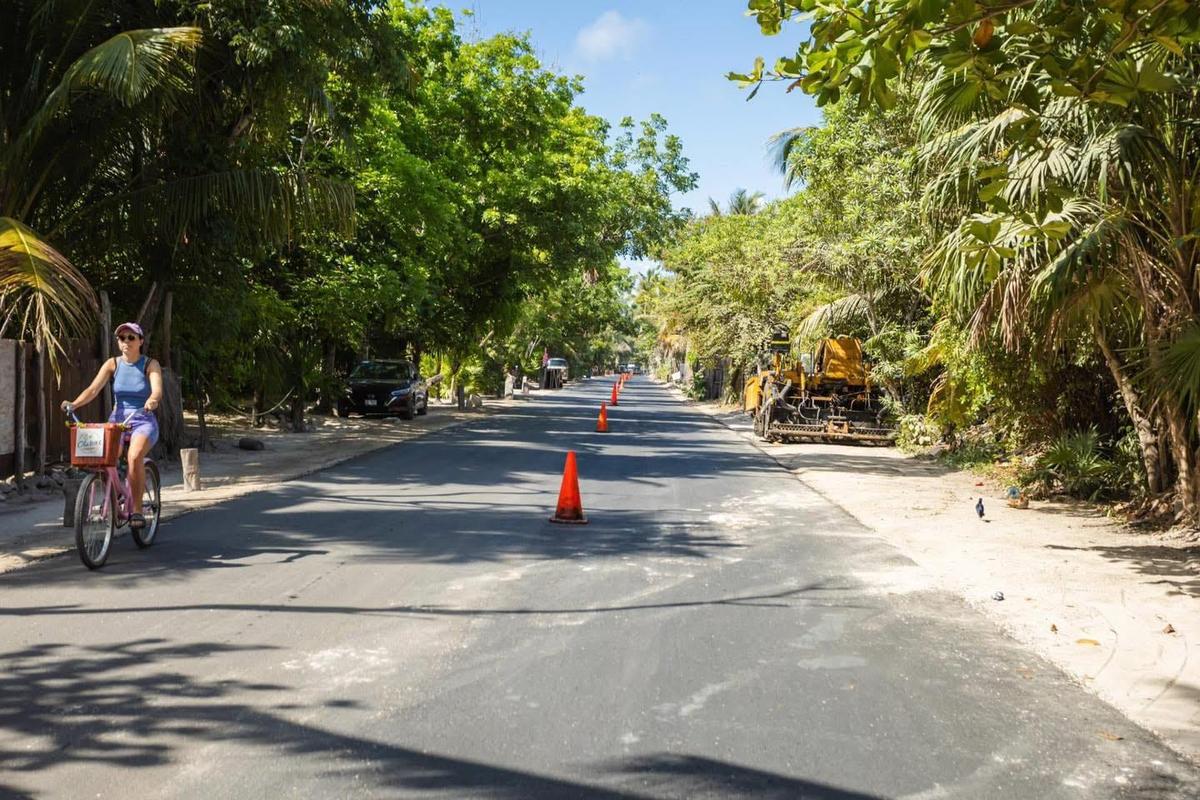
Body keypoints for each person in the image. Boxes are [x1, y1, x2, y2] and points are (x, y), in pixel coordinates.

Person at [61, 322, 162, 529]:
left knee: (134, 457)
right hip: (117, 421)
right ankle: (114, 492)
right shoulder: (112, 364)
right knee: (104, 459)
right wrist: (74, 404)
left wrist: (152, 400)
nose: (125, 342)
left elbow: (157, 390)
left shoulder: (150, 364)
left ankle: (137, 510)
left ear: (140, 341)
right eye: (121, 338)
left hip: (143, 419)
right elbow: (92, 390)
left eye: (131, 338)